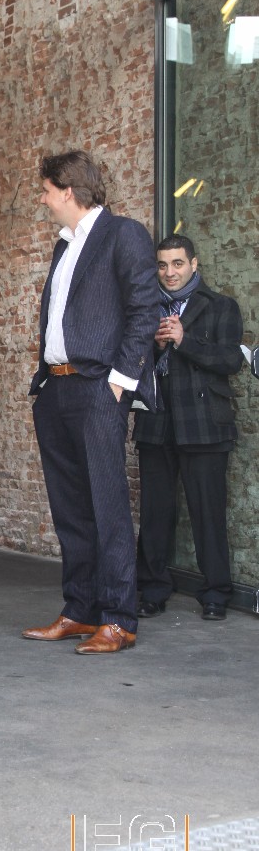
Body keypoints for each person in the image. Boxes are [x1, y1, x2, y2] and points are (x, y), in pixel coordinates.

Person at [22, 151, 158, 654]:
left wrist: (120, 381)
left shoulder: (123, 234)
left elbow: (144, 309)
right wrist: (45, 383)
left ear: (67, 190)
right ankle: (80, 609)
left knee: (107, 505)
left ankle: (119, 619)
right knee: (70, 509)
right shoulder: (65, 244)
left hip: (99, 387)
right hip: (56, 389)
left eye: (45, 191)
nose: (42, 199)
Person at [134, 235, 243, 621]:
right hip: (157, 421)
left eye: (177, 263)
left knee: (207, 513)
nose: (169, 272)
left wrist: (184, 340)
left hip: (203, 423)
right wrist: (155, 347)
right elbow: (129, 360)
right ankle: (152, 589)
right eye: (163, 265)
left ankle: (215, 593)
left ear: (194, 264)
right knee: (155, 514)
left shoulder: (221, 306)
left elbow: (231, 360)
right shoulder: (146, 309)